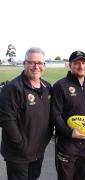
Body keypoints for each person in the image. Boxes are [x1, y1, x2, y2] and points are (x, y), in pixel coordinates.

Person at [0, 47, 53, 180]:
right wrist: (22, 146)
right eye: (32, 62)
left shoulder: (47, 87)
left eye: (40, 63)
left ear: (44, 65)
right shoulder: (12, 88)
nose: (36, 66)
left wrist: (45, 140)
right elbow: (7, 120)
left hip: (38, 152)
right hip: (18, 155)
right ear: (24, 63)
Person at [51, 50, 85, 180]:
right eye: (76, 63)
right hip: (67, 144)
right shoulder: (60, 86)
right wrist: (70, 132)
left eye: (83, 62)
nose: (81, 66)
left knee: (82, 176)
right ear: (70, 65)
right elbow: (55, 115)